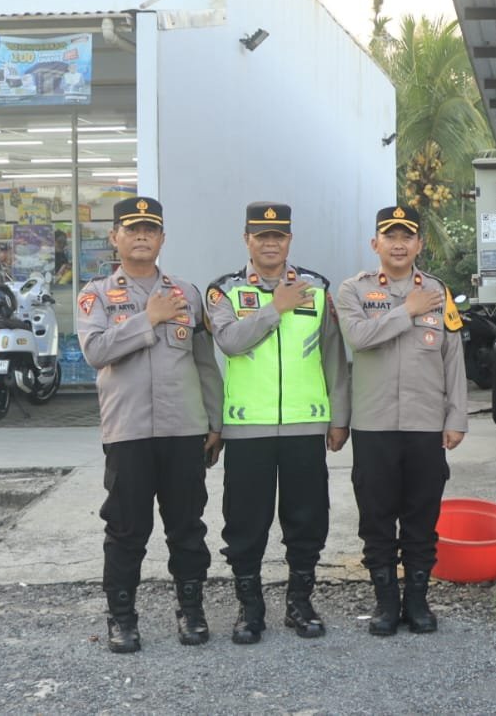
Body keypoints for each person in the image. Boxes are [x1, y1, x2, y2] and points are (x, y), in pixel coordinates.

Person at [76, 197, 223, 653]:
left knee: (187, 525)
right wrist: (148, 319)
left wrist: (214, 420)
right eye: (132, 228)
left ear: (162, 239)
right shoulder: (96, 294)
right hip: (129, 432)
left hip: (183, 430)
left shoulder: (187, 293)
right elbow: (96, 352)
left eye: (150, 229)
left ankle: (191, 610)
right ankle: (122, 617)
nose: (142, 235)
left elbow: (204, 362)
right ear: (115, 237)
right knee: (126, 528)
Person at [206, 202, 350, 644]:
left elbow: (333, 356)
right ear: (246, 239)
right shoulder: (224, 291)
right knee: (246, 522)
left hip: (307, 425)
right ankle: (250, 609)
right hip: (249, 426)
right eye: (261, 235)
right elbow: (229, 342)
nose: (270, 243)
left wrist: (339, 416)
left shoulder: (316, 288)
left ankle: (300, 603)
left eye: (279, 236)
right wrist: (275, 308)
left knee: (307, 518)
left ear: (289, 240)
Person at [334, 205, 467, 636]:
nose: (398, 243)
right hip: (373, 425)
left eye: (406, 236)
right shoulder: (353, 290)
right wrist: (406, 310)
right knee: (376, 517)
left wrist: (457, 416)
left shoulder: (438, 291)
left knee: (421, 516)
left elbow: (453, 359)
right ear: (375, 244)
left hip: (426, 424)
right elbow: (358, 337)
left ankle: (418, 602)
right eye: (389, 236)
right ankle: (386, 603)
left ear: (418, 245)